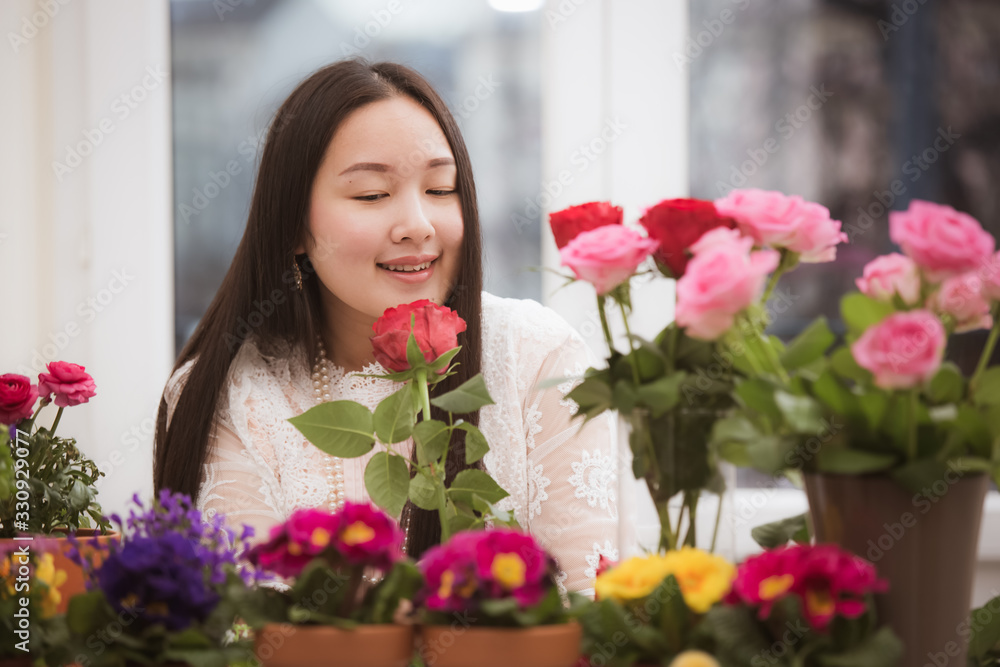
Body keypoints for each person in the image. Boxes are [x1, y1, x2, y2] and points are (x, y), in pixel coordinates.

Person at [155, 59, 623, 596]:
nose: (418, 226)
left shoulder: (537, 356)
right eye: (372, 195)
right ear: (293, 228)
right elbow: (250, 634)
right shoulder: (231, 396)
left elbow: (591, 611)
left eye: (441, 189)